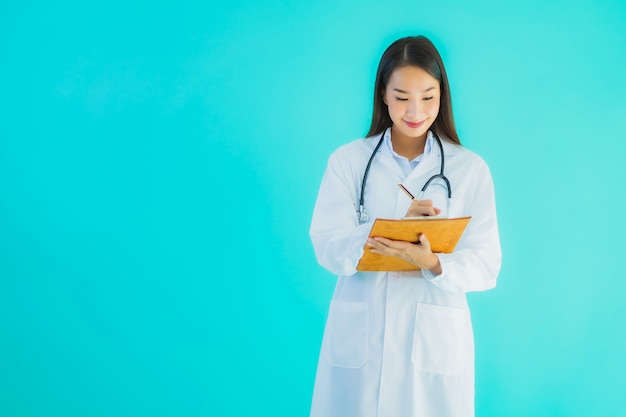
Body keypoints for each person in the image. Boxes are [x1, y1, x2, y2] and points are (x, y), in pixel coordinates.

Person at [309, 35, 502, 417]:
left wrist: (432, 262)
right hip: (359, 345)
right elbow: (328, 244)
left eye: (428, 97)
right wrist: (391, 229)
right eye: (401, 97)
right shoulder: (348, 162)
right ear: (382, 94)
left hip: (434, 343)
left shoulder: (469, 169)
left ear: (441, 96)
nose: (415, 110)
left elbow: (486, 264)